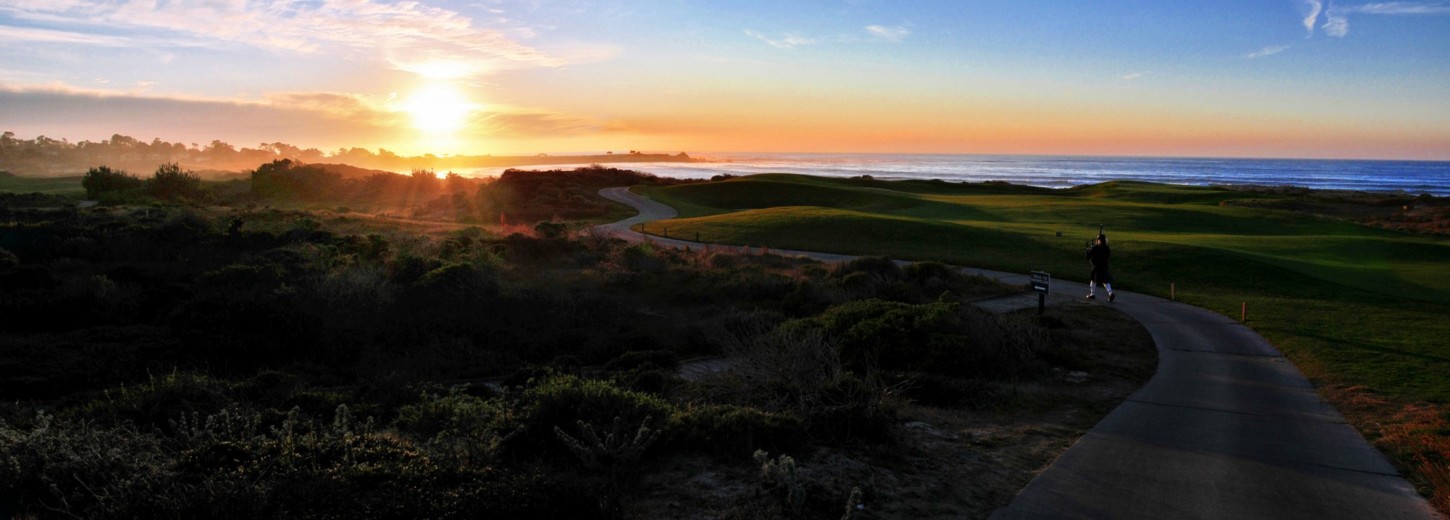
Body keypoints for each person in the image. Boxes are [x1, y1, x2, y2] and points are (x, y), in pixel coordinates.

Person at [1086, 233, 1114, 301]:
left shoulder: (1096, 248)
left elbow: (1088, 257)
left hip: (1096, 267)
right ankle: (1110, 293)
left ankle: (1092, 294)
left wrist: (1089, 250)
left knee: (1093, 280)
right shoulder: (1107, 248)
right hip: (1104, 267)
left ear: (1099, 240)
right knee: (1105, 281)